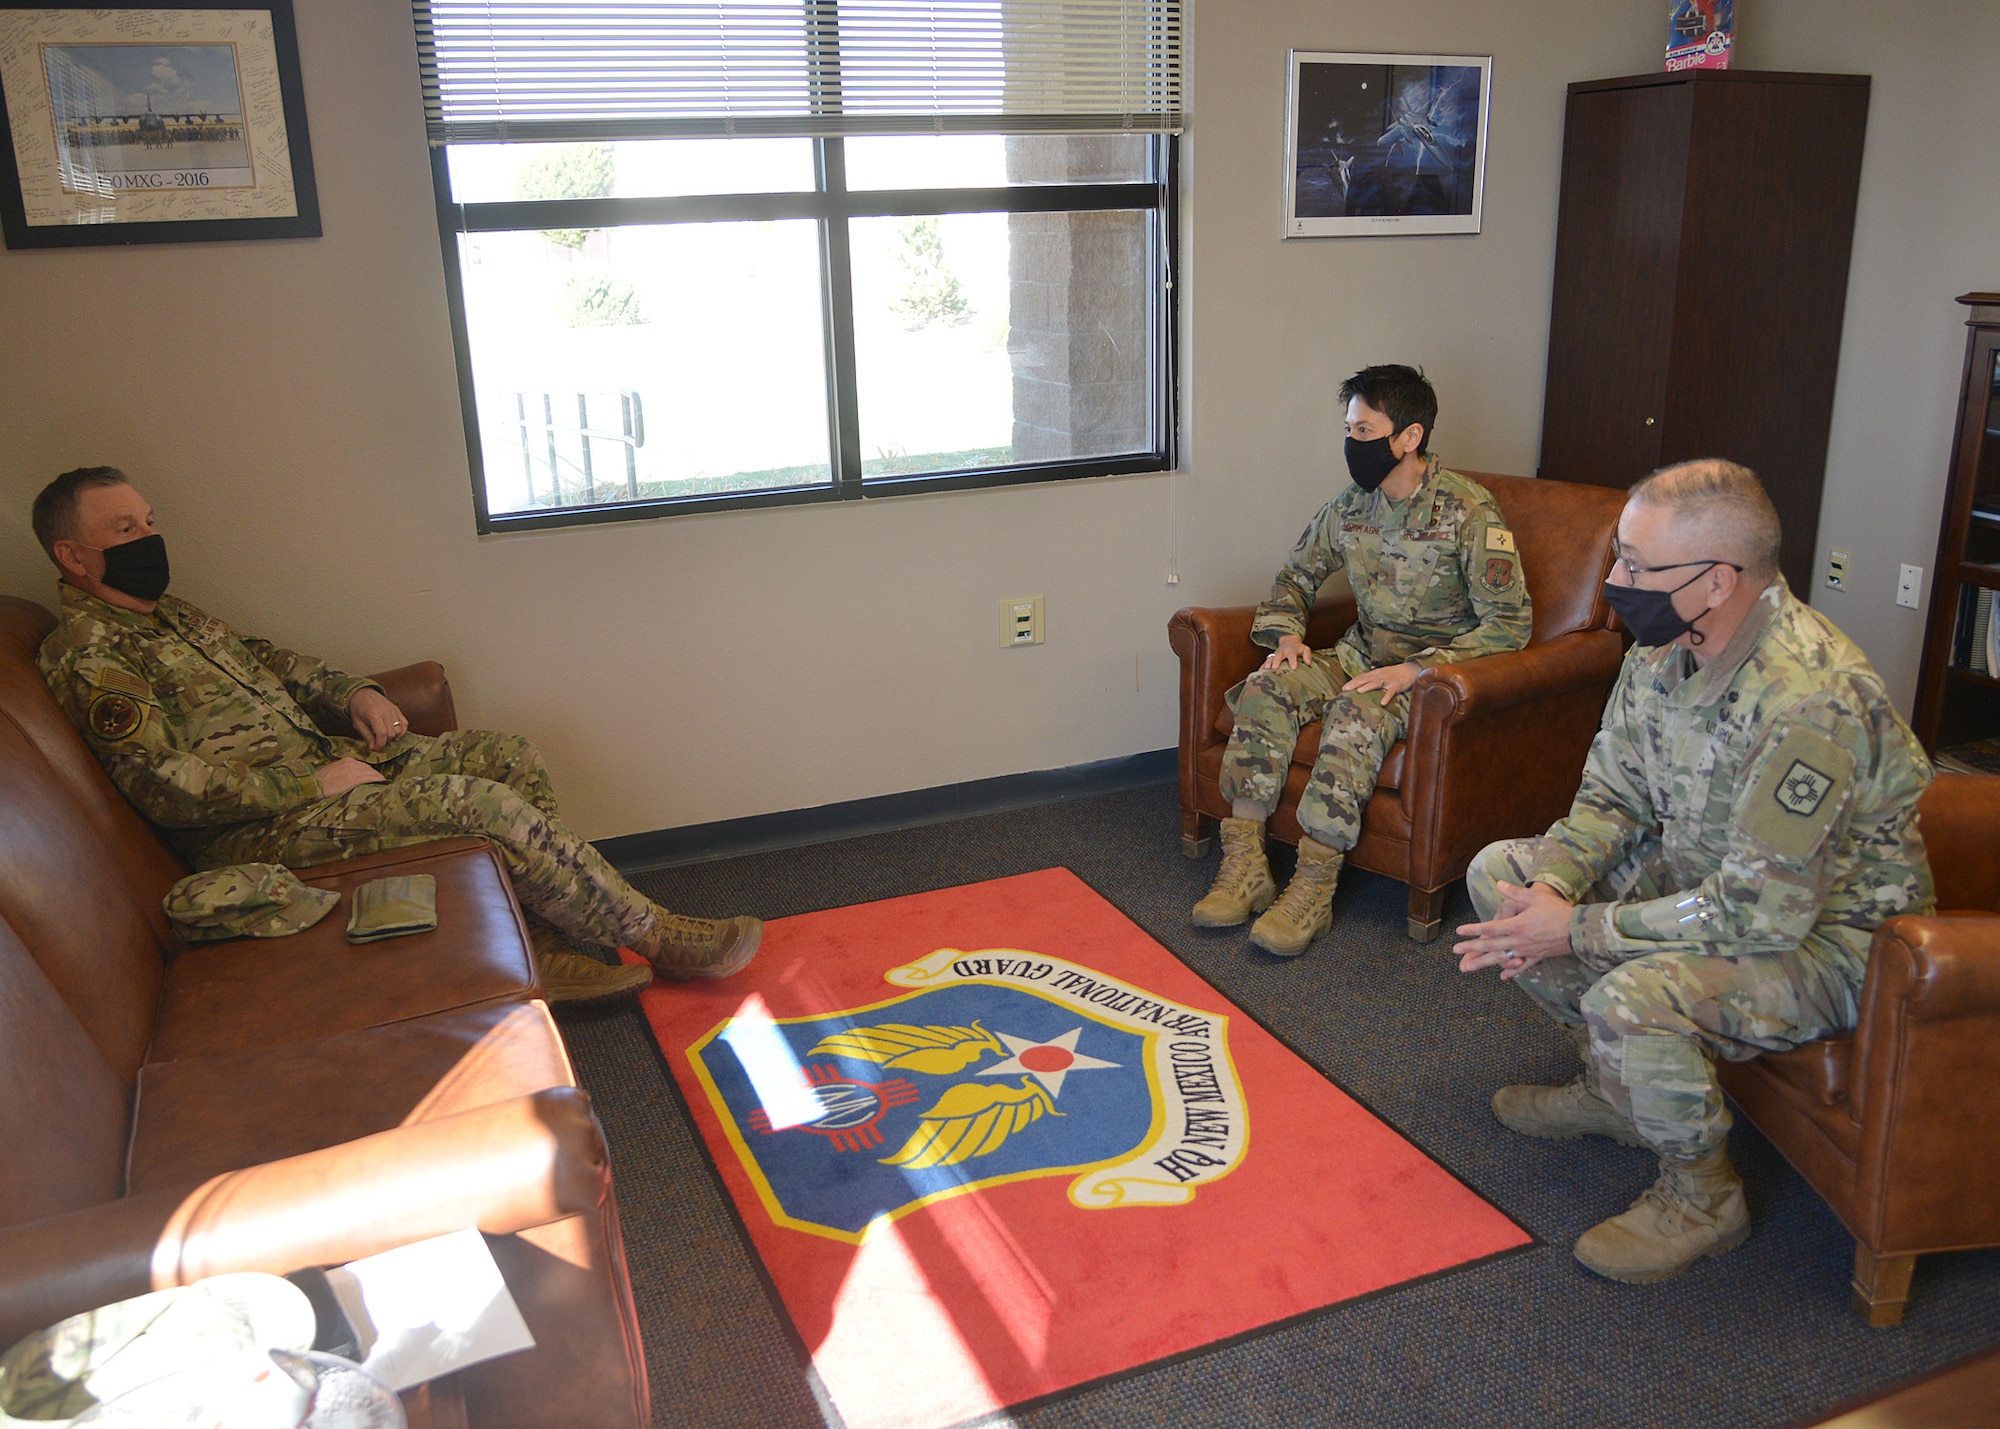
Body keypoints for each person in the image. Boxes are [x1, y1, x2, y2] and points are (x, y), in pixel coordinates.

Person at [1454, 459, 1933, 1284]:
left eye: (1637, 565)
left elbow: (1759, 913)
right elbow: (1611, 795)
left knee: (1629, 997)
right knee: (1500, 874)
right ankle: (1617, 1092)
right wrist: (1552, 887)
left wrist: (1573, 927)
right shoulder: (1665, 642)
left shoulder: (1812, 698)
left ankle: (1705, 1199)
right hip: (1705, 883)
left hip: (1831, 943)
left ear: (1718, 581)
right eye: (1620, 557)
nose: (1614, 581)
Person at [31, 466, 762, 1003]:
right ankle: (659, 934)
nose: (149, 538)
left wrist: (357, 692)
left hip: (325, 774)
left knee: (507, 756)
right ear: (72, 554)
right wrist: (308, 783)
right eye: (124, 530)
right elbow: (162, 782)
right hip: (259, 828)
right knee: (481, 805)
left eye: (150, 522)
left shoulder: (175, 616)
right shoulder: (92, 652)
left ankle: (538, 945)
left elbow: (278, 663)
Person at [1195, 364, 1532, 955]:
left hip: (1425, 676)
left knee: (1354, 716)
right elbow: (1293, 578)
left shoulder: (1469, 512)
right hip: (1358, 654)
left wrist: (1419, 670)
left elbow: (1509, 624)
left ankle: (1312, 889)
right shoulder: (1352, 506)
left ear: (1410, 436)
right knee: (1265, 688)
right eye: (1349, 429)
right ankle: (1245, 864)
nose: (1353, 443)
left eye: (1365, 430)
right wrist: (1288, 638)